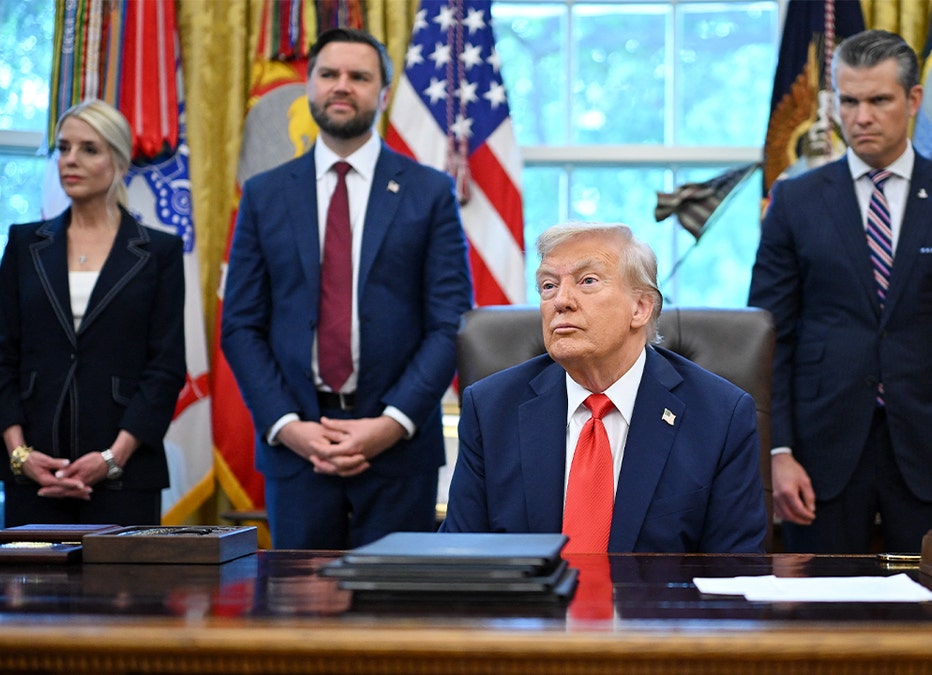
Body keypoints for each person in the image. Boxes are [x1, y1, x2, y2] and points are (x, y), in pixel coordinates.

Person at [749, 30, 932, 554]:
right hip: (817, 454)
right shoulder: (795, 200)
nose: (861, 117)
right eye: (849, 101)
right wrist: (776, 451)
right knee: (821, 622)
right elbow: (770, 339)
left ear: (913, 101)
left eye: (878, 100)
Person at [221, 27, 473, 549]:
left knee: (393, 619)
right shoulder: (265, 195)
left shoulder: (429, 192)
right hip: (297, 449)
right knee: (299, 617)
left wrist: (390, 423)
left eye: (359, 77)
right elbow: (241, 326)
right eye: (329, 74)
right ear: (309, 86)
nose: (342, 86)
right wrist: (289, 426)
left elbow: (450, 322)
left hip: (398, 450)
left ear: (382, 94)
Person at [441, 222, 767, 553]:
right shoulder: (491, 408)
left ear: (640, 308)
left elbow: (733, 575)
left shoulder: (719, 416)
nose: (561, 301)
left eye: (587, 281)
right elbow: (458, 558)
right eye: (548, 285)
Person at [0, 99, 186, 527]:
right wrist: (19, 455)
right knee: (28, 593)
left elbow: (166, 366)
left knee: (127, 592)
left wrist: (113, 458)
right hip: (32, 473)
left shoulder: (159, 252)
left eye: (89, 149)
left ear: (118, 160)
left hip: (127, 475)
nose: (71, 161)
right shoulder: (25, 244)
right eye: (63, 148)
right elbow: (3, 355)